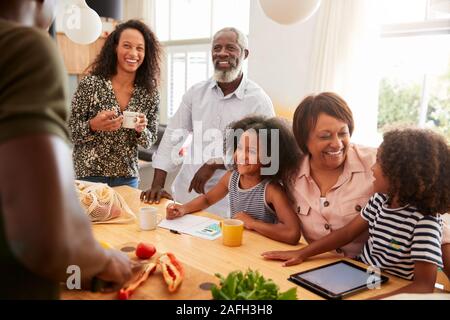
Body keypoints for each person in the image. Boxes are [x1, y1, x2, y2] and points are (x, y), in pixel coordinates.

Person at [0, 0, 132, 299]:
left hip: (123, 178)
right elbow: (43, 234)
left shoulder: (145, 91)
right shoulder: (25, 48)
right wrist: (98, 261)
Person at [260, 92, 450, 280]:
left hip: (372, 278)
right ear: (304, 141)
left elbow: (432, 212)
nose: (336, 144)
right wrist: (302, 252)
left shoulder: (387, 163)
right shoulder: (291, 173)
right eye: (325, 136)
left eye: (343, 133)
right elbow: (346, 232)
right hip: (333, 271)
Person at [141, 27, 275, 218]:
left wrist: (215, 163)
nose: (222, 53)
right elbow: (173, 135)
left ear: (244, 54)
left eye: (230, 48)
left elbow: (268, 155)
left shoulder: (259, 101)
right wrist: (157, 184)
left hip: (229, 203)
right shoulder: (196, 93)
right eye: (216, 48)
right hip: (186, 194)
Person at [166, 115, 301, 244]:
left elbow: (292, 233)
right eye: (240, 148)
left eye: (252, 151)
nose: (242, 156)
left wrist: (252, 223)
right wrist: (183, 209)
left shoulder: (272, 191)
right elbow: (207, 199)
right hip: (239, 244)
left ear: (270, 158)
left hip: (261, 249)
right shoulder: (232, 177)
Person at [69, 20, 161, 188]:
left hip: (126, 177)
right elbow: (71, 132)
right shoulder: (90, 84)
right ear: (115, 47)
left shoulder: (149, 92)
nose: (133, 53)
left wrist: (141, 131)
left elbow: (150, 140)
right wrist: (92, 125)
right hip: (89, 175)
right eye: (127, 45)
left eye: (139, 48)